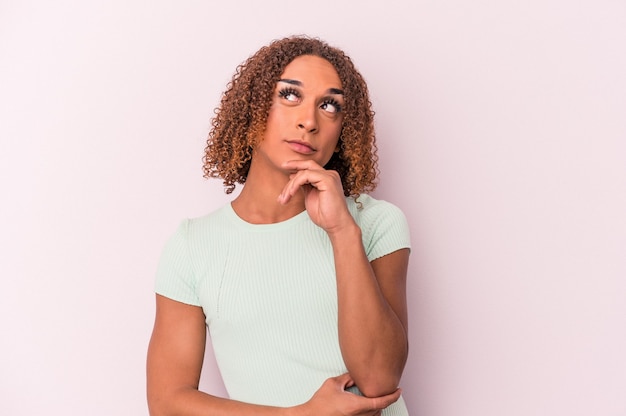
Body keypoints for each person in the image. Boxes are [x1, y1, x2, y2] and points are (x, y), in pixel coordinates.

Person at [147, 35, 411, 416]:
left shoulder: (375, 224)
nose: (309, 121)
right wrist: (299, 415)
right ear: (252, 111)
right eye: (290, 95)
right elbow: (166, 402)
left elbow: (379, 381)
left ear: (343, 133)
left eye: (330, 105)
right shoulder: (193, 246)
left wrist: (341, 232)